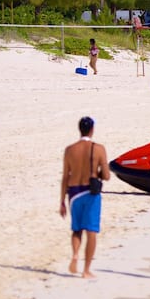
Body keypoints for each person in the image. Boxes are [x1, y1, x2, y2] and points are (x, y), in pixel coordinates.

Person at [60, 116, 110, 278]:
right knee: (91, 231)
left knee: (77, 229)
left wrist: (62, 201)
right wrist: (98, 174)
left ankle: (75, 255)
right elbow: (107, 175)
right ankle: (86, 270)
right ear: (92, 130)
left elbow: (65, 177)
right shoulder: (99, 149)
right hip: (91, 192)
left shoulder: (70, 149)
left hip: (73, 193)